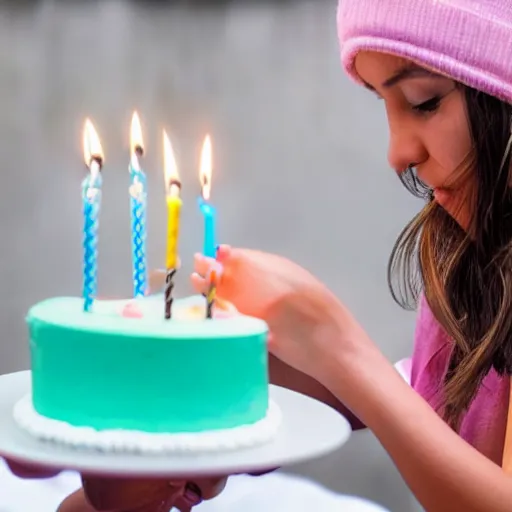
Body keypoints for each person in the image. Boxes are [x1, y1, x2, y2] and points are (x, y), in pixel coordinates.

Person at [6, 0, 512, 510]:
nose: (398, 151)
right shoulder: (470, 267)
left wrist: (337, 346)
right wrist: (216, 372)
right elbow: (425, 405)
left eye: (423, 101)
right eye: (384, 103)